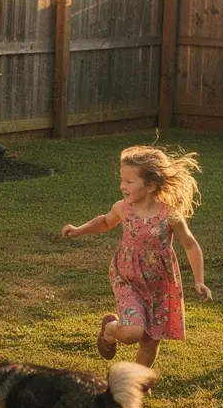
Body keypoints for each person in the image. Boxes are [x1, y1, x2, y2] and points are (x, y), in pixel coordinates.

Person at [62, 145, 211, 368]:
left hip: (159, 284)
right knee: (133, 333)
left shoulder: (170, 215)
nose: (122, 186)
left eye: (129, 182)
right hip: (127, 277)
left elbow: (190, 245)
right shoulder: (123, 208)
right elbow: (105, 222)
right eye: (122, 180)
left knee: (151, 341)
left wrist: (199, 280)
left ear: (150, 185)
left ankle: (137, 381)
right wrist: (79, 230)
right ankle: (110, 328)